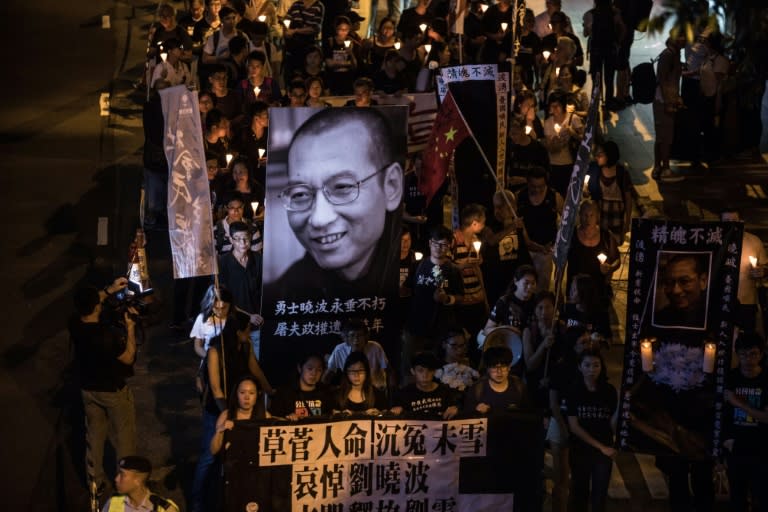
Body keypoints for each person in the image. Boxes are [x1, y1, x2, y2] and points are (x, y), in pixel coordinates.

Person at [268, 107, 404, 298]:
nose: (319, 219)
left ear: (392, 186)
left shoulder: (410, 272)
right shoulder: (283, 294)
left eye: (341, 187)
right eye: (300, 194)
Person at [192, 311, 271, 512]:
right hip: (219, 407)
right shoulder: (215, 351)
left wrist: (271, 391)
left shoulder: (246, 346)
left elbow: (255, 370)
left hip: (241, 408)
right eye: (247, 330)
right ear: (237, 332)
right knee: (210, 456)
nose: (249, 333)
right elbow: (217, 388)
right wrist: (228, 414)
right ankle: (198, 500)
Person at [70, 277, 137, 497]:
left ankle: (95, 483)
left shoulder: (75, 324)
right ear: (97, 307)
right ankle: (127, 482)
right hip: (113, 391)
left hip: (88, 389)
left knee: (95, 437)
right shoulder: (106, 335)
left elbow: (91, 301)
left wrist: (108, 290)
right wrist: (130, 329)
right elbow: (128, 358)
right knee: (124, 437)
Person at [401, 225, 464, 381]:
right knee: (409, 366)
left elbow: (461, 297)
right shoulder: (419, 265)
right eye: (436, 243)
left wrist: (447, 299)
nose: (439, 248)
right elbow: (408, 288)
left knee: (439, 370)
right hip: (415, 326)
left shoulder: (453, 270)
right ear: (430, 243)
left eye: (443, 245)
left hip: (441, 328)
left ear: (449, 247)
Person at [566, 348, 618, 512]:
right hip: (581, 449)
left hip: (604, 451)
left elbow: (612, 425)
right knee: (579, 494)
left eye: (596, 365)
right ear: (580, 367)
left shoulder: (609, 391)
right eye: (587, 365)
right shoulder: (574, 391)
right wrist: (600, 446)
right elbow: (574, 426)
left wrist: (620, 410)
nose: (592, 370)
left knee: (599, 496)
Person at [722, 331, 768, 512]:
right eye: (743, 354)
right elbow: (723, 414)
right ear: (737, 355)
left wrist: (737, 402)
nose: (748, 360)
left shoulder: (765, 380)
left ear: (761, 355)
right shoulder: (731, 378)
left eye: (753, 354)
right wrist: (726, 440)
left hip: (762, 446)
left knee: (762, 495)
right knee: (737, 496)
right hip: (737, 446)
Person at [218, 221, 264, 355]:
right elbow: (222, 298)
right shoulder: (223, 262)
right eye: (238, 239)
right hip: (233, 323)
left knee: (257, 359)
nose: (243, 243)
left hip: (257, 322)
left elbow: (264, 289)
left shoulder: (258, 259)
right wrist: (247, 316)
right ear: (231, 240)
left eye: (246, 238)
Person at [565, 200, 620, 313]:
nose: (588, 219)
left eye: (591, 215)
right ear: (579, 215)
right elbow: (560, 262)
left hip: (598, 290)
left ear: (597, 216)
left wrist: (610, 268)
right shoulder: (571, 235)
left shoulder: (606, 236)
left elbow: (617, 260)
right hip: (577, 290)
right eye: (585, 215)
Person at [720, 207, 767, 335]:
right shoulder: (716, 240)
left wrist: (762, 271)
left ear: (741, 221)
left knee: (746, 338)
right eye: (726, 221)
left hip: (747, 300)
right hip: (720, 299)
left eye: (734, 220)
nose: (730, 224)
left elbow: (764, 266)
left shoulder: (754, 241)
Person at [482, 190, 532, 307]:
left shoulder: (517, 221)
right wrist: (512, 226)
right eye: (495, 207)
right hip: (496, 274)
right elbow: (492, 240)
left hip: (514, 271)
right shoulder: (488, 222)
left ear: (513, 207)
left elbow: (527, 242)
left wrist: (542, 248)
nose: (497, 211)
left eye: (501, 207)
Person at [517, 166, 563, 292]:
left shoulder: (554, 197)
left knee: (542, 286)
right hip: (526, 250)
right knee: (524, 285)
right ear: (527, 183)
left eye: (540, 186)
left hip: (546, 250)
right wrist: (529, 243)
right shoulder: (520, 197)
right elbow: (518, 223)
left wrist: (557, 244)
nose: (537, 189)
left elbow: (565, 222)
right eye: (533, 186)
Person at [652, 31, 687, 183]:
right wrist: (669, 102)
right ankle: (665, 170)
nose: (685, 40)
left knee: (661, 136)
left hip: (663, 100)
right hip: (664, 101)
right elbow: (663, 79)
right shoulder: (669, 55)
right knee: (666, 137)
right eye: (682, 36)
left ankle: (658, 167)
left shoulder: (672, 53)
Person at [452, 203, 490, 338]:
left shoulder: (475, 240)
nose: (484, 225)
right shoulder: (453, 239)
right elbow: (445, 267)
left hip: (477, 298)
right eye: (483, 222)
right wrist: (464, 265)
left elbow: (477, 269)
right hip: (461, 300)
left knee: (478, 336)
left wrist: (484, 298)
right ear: (474, 223)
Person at [585, 140, 632, 245]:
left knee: (614, 245)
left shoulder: (621, 173)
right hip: (601, 217)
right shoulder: (596, 170)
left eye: (600, 155)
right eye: (596, 154)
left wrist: (627, 221)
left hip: (617, 218)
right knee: (601, 244)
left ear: (610, 155)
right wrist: (587, 191)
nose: (597, 157)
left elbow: (628, 199)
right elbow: (591, 192)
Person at [323, 318, 390, 390]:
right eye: (352, 335)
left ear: (366, 337)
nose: (356, 340)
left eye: (359, 335)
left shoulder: (375, 348)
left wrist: (392, 392)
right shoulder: (339, 350)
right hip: (353, 391)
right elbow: (329, 373)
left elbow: (389, 371)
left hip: (375, 389)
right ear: (346, 339)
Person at [390, 351, 461, 418]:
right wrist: (395, 413)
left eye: (429, 370)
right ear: (413, 371)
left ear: (434, 372)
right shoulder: (404, 394)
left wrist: (456, 410)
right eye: (420, 370)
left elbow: (458, 410)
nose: (425, 375)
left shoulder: (445, 392)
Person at [210, 375, 268, 457]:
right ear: (236, 394)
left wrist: (291, 419)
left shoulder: (265, 415)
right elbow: (213, 451)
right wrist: (220, 430)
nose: (247, 397)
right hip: (233, 465)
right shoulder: (226, 415)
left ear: (257, 395)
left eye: (251, 393)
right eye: (242, 392)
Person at [464, 346, 530, 415]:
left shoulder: (518, 385)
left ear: (509, 367)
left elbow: (528, 413)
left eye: (503, 366)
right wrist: (476, 410)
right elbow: (467, 415)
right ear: (487, 368)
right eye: (494, 367)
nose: (499, 371)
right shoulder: (477, 389)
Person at [542, 91, 584, 197]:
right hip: (553, 166)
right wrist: (555, 143)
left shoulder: (573, 119)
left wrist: (572, 132)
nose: (554, 109)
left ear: (563, 105)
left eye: (557, 106)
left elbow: (584, 139)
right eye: (552, 106)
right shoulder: (548, 123)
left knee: (569, 195)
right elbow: (549, 148)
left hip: (570, 164)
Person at [270, 352, 335, 419]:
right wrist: (287, 419)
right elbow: (273, 419)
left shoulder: (326, 393)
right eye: (310, 368)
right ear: (300, 368)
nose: (314, 373)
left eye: (319, 370)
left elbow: (331, 416)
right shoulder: (284, 393)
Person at [102, 456, 179, 512]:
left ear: (138, 481)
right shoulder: (113, 502)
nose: (116, 479)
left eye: (122, 475)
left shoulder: (164, 509)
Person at [654, 253, 710, 329]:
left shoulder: (713, 317)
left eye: (684, 281)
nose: (675, 291)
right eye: (669, 283)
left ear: (703, 281)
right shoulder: (659, 318)